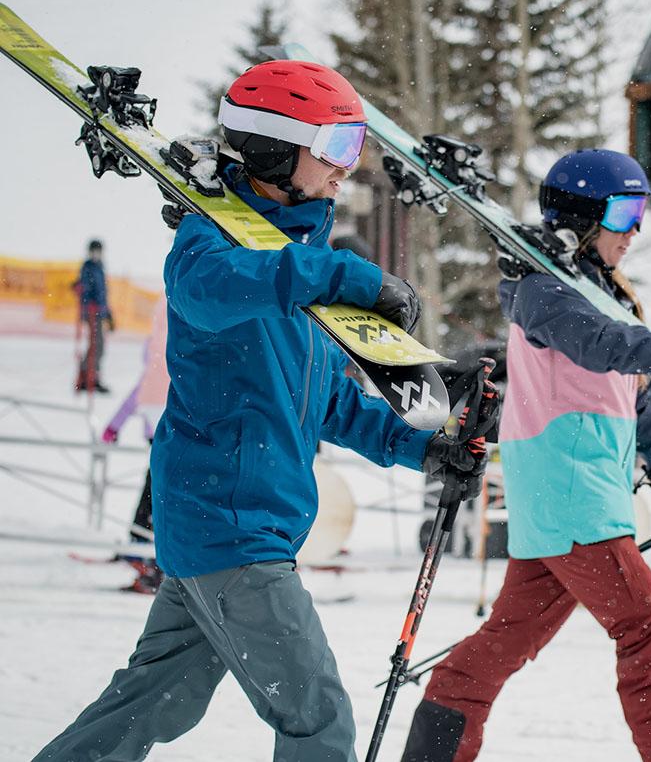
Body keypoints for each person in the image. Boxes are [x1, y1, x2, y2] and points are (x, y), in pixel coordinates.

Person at [33, 60, 486, 762]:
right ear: (275, 148)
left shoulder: (297, 265)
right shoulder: (217, 249)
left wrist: (421, 449)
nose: (349, 168)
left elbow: (329, 400)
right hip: (231, 531)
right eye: (335, 148)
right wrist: (341, 275)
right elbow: (203, 290)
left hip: (231, 530)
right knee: (319, 721)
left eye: (356, 149)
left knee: (149, 705)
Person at [401, 149, 651, 762]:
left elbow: (636, 401)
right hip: (574, 500)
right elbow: (600, 347)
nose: (635, 229)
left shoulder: (606, 298)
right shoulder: (541, 290)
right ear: (585, 218)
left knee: (505, 640)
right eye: (623, 211)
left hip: (566, 506)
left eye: (641, 209)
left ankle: (436, 743)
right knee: (647, 634)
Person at [102, 295, 169, 594]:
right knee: (157, 492)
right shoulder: (179, 345)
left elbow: (144, 384)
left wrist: (116, 423)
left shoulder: (159, 346)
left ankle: (143, 553)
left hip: (162, 424)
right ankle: (142, 553)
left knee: (155, 491)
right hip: (169, 424)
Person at [74, 238, 114, 393]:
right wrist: (86, 302)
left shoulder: (100, 267)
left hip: (99, 312)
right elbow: (84, 287)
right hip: (91, 312)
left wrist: (108, 314)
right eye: (93, 251)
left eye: (98, 251)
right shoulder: (88, 267)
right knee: (96, 345)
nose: (96, 254)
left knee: (99, 345)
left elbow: (102, 294)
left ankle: (92, 376)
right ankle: (86, 377)